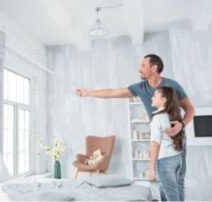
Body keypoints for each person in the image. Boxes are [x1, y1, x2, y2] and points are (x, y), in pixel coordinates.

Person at [75, 54, 195, 201]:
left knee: (179, 180)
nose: (139, 69)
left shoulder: (172, 86)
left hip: (177, 140)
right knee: (164, 182)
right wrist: (88, 92)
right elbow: (113, 92)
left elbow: (190, 109)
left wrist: (181, 125)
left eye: (143, 65)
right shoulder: (140, 88)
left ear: (154, 67)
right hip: (160, 140)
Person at [149, 86, 184, 201]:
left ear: (163, 100)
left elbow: (155, 144)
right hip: (177, 158)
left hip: (165, 161)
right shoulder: (173, 115)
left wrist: (152, 168)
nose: (152, 98)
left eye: (155, 96)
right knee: (172, 194)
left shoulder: (158, 118)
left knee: (171, 197)